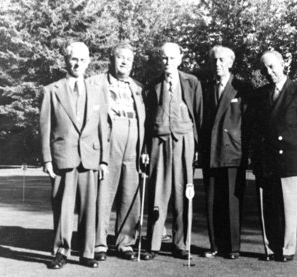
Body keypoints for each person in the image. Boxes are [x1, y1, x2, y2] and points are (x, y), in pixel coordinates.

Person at [39, 42, 109, 269]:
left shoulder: (98, 91)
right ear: (66, 61)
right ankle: (61, 252)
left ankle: (87, 252)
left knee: (90, 208)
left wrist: (104, 160)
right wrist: (47, 159)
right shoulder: (51, 91)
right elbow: (45, 128)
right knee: (63, 209)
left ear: (88, 61)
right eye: (73, 59)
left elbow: (103, 128)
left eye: (82, 59)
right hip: (63, 158)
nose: (78, 63)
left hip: (90, 158)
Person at [253, 50, 297, 262]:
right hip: (267, 160)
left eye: (272, 66)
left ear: (283, 64)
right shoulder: (261, 94)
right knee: (268, 208)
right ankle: (271, 248)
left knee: (288, 209)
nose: (269, 72)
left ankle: (287, 250)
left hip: (289, 159)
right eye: (264, 69)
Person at [142, 42, 203, 260]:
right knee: (157, 193)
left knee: (184, 194)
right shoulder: (152, 86)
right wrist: (146, 148)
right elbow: (147, 121)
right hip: (159, 141)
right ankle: (154, 244)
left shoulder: (192, 82)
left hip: (184, 141)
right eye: (164, 58)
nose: (168, 62)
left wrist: (197, 146)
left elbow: (198, 115)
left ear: (180, 59)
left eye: (172, 58)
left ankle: (181, 244)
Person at [93, 42, 147, 261]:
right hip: (109, 141)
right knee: (104, 193)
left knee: (130, 194)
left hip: (133, 142)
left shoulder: (138, 87)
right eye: (120, 57)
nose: (124, 61)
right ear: (111, 58)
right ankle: (98, 243)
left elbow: (145, 121)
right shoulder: (95, 83)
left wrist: (144, 148)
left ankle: (125, 242)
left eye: (129, 58)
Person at [199, 45, 251, 260]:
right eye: (214, 60)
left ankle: (232, 247)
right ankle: (214, 245)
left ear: (230, 62)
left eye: (222, 60)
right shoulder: (205, 87)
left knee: (231, 200)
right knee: (212, 201)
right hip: (211, 151)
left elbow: (248, 121)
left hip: (232, 151)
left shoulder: (242, 87)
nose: (217, 64)